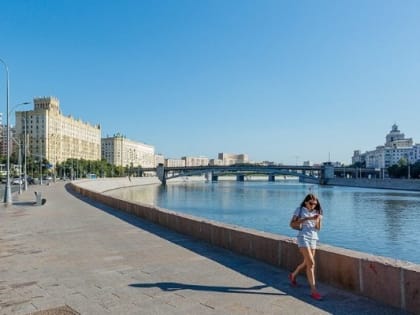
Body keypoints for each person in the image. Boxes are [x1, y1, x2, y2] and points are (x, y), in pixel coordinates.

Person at [288, 193, 323, 300]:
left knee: (307, 262)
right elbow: (292, 224)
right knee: (311, 263)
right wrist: (307, 219)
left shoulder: (318, 212)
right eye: (311, 203)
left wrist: (318, 220)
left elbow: (318, 228)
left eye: (315, 204)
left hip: (313, 238)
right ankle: (314, 290)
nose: (313, 205)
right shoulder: (299, 210)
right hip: (303, 237)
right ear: (306, 202)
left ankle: (293, 275)